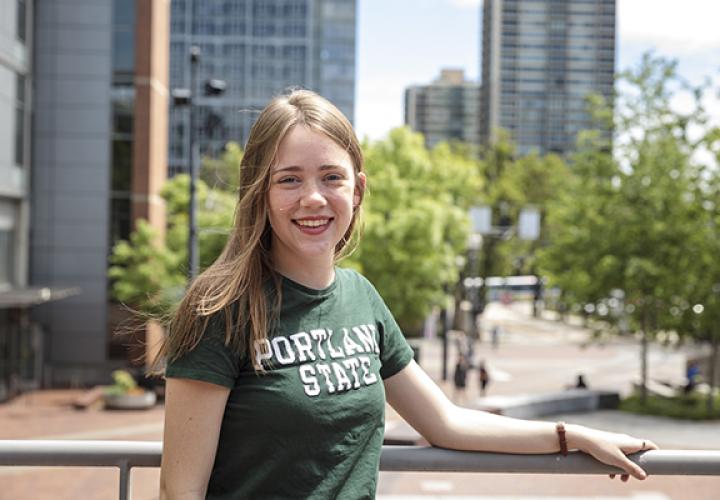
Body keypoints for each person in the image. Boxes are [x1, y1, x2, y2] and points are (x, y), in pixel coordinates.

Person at [158, 90, 657, 499]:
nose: (313, 197)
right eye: (289, 180)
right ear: (260, 192)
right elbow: (180, 493)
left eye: (331, 177)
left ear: (356, 189)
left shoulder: (360, 298)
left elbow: (446, 422)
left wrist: (574, 437)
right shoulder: (220, 309)